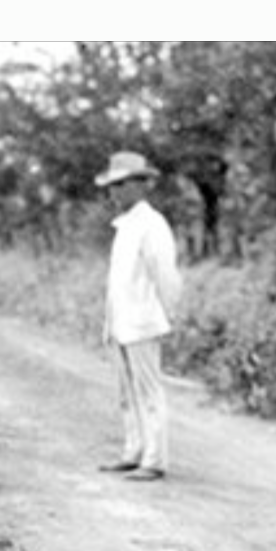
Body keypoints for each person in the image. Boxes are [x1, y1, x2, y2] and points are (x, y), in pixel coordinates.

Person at [95, 150, 182, 482]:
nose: (114, 192)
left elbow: (166, 276)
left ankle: (154, 458)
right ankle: (133, 450)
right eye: (112, 186)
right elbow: (118, 281)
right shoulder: (125, 225)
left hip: (143, 319)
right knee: (126, 393)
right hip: (121, 321)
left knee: (148, 391)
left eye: (121, 185)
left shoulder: (152, 224)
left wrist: (167, 313)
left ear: (140, 185)